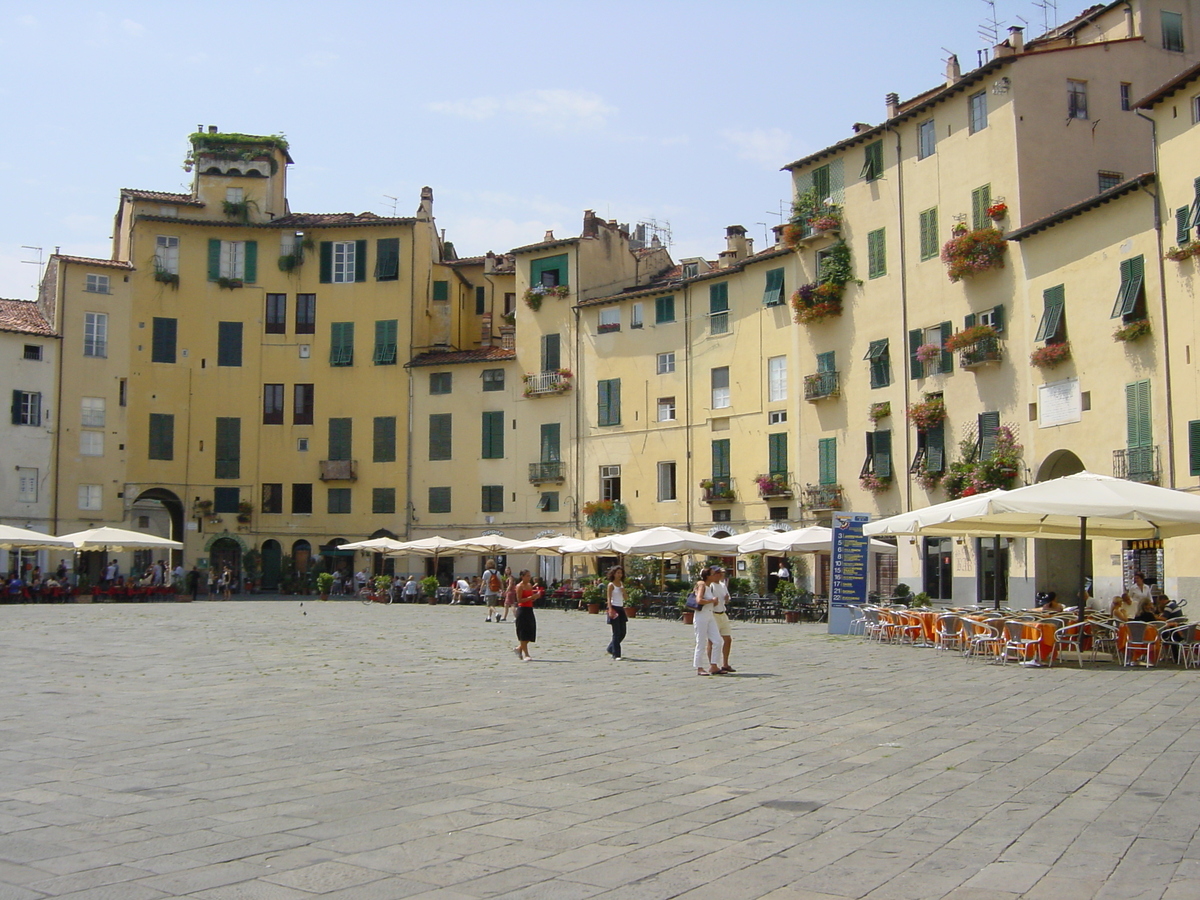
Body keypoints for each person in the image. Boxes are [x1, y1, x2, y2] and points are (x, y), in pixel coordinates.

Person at [692, 567, 723, 676]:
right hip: (701, 616)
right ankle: (699, 667)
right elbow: (699, 600)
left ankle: (714, 665)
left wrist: (713, 602)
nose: (716, 576)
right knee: (700, 641)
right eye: (714, 574)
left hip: (709, 614)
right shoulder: (702, 585)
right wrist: (712, 600)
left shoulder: (709, 587)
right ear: (708, 576)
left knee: (718, 640)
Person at [708, 566, 736, 672]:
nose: (720, 575)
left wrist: (727, 599)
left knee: (727, 639)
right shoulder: (710, 586)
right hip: (713, 614)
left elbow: (727, 599)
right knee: (712, 641)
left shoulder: (723, 585)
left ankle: (725, 663)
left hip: (722, 613)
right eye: (718, 573)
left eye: (722, 574)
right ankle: (713, 664)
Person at [513, 570, 543, 661]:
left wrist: (535, 597)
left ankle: (519, 648)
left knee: (530, 631)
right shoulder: (519, 586)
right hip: (522, 610)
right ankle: (526, 654)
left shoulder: (529, 585)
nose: (529, 578)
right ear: (522, 576)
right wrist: (531, 597)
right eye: (527, 576)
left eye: (529, 576)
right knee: (523, 632)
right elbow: (519, 600)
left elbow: (530, 598)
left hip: (529, 609)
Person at [605, 565, 628, 660]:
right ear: (613, 574)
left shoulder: (621, 584)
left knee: (623, 632)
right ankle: (616, 654)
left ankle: (611, 648)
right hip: (614, 608)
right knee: (616, 632)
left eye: (621, 573)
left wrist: (623, 591)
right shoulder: (611, 585)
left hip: (621, 608)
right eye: (618, 573)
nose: (619, 575)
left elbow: (626, 598)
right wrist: (610, 609)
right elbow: (609, 598)